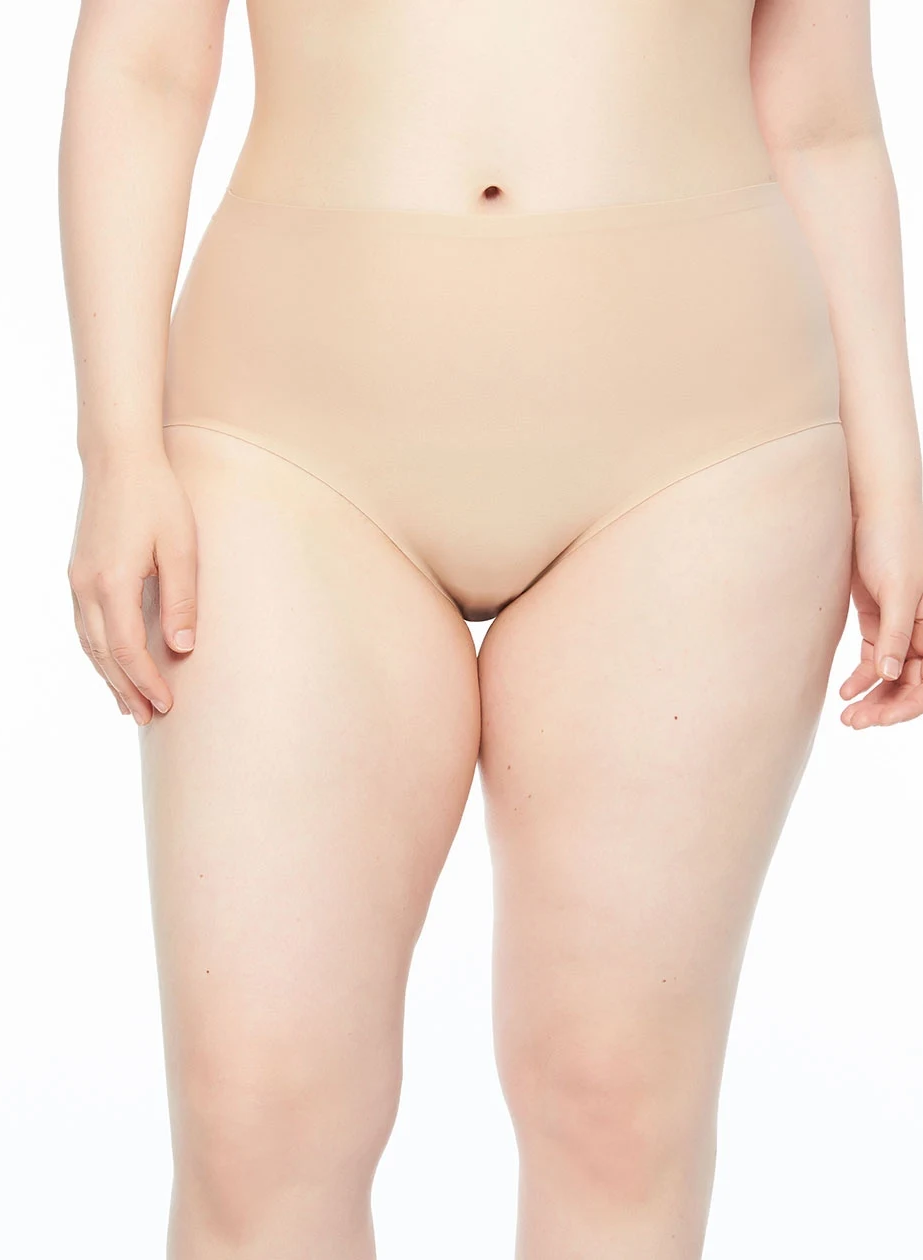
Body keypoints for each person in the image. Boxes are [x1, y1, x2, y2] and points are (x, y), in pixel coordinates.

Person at [59, 1, 923, 1256]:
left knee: (617, 1107)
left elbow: (824, 116)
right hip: (284, 441)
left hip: (704, 450)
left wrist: (894, 475)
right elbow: (144, 62)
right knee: (259, 1125)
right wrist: (115, 449)